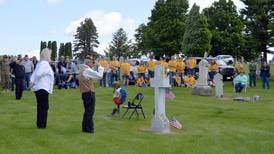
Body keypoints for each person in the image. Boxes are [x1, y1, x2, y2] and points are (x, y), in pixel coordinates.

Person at [30, 48, 54, 129]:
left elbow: (34, 74)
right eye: (50, 54)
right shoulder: (44, 64)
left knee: (41, 106)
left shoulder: (40, 63)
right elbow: (39, 73)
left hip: (39, 88)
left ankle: (40, 124)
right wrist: (33, 82)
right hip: (43, 88)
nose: (50, 56)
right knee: (44, 107)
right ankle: (42, 125)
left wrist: (32, 82)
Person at [78, 57, 103, 133]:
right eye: (92, 62)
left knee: (87, 111)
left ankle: (85, 128)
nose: (93, 64)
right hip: (89, 92)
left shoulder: (82, 69)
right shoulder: (87, 70)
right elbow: (99, 76)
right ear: (88, 63)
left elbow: (92, 75)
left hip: (84, 92)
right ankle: (89, 129)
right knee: (90, 111)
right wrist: (100, 67)